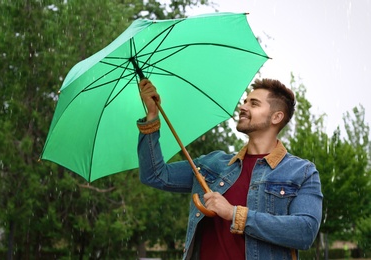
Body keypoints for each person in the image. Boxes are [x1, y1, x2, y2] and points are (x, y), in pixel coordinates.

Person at [137, 78, 323, 260]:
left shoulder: (301, 172)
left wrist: (234, 214)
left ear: (276, 117)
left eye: (254, 104)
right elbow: (155, 175)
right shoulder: (213, 164)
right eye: (244, 102)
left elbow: (304, 232)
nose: (243, 107)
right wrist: (152, 115)